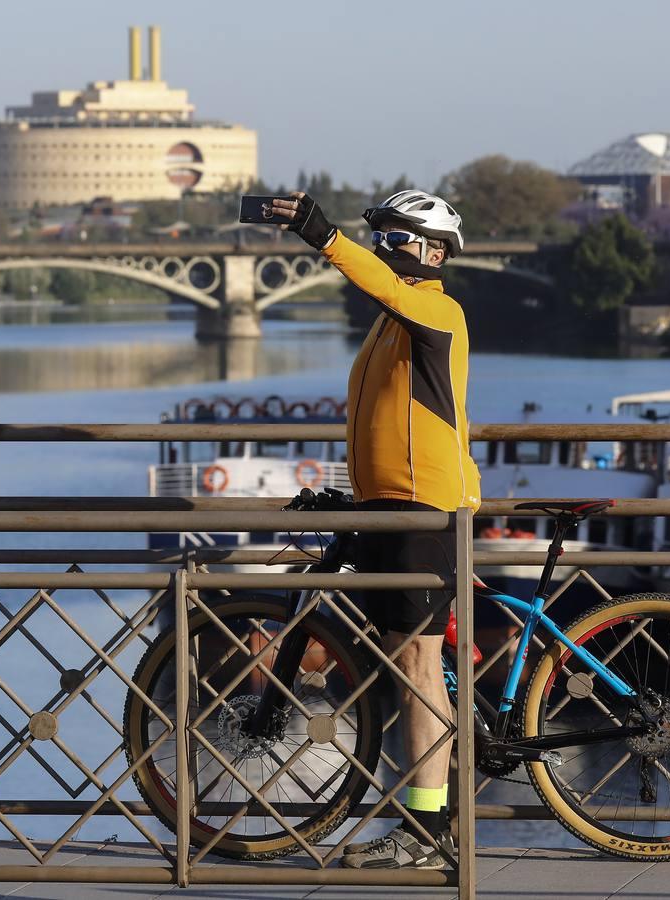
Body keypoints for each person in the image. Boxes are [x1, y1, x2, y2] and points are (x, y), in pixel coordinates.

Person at [271, 189, 481, 870]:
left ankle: (426, 831)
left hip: (420, 511)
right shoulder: (391, 324)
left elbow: (383, 285)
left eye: (397, 239)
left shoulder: (434, 308)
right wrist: (354, 498)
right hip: (392, 505)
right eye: (381, 239)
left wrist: (322, 236)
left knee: (418, 665)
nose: (387, 249)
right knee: (409, 661)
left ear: (433, 251)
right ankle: (425, 815)